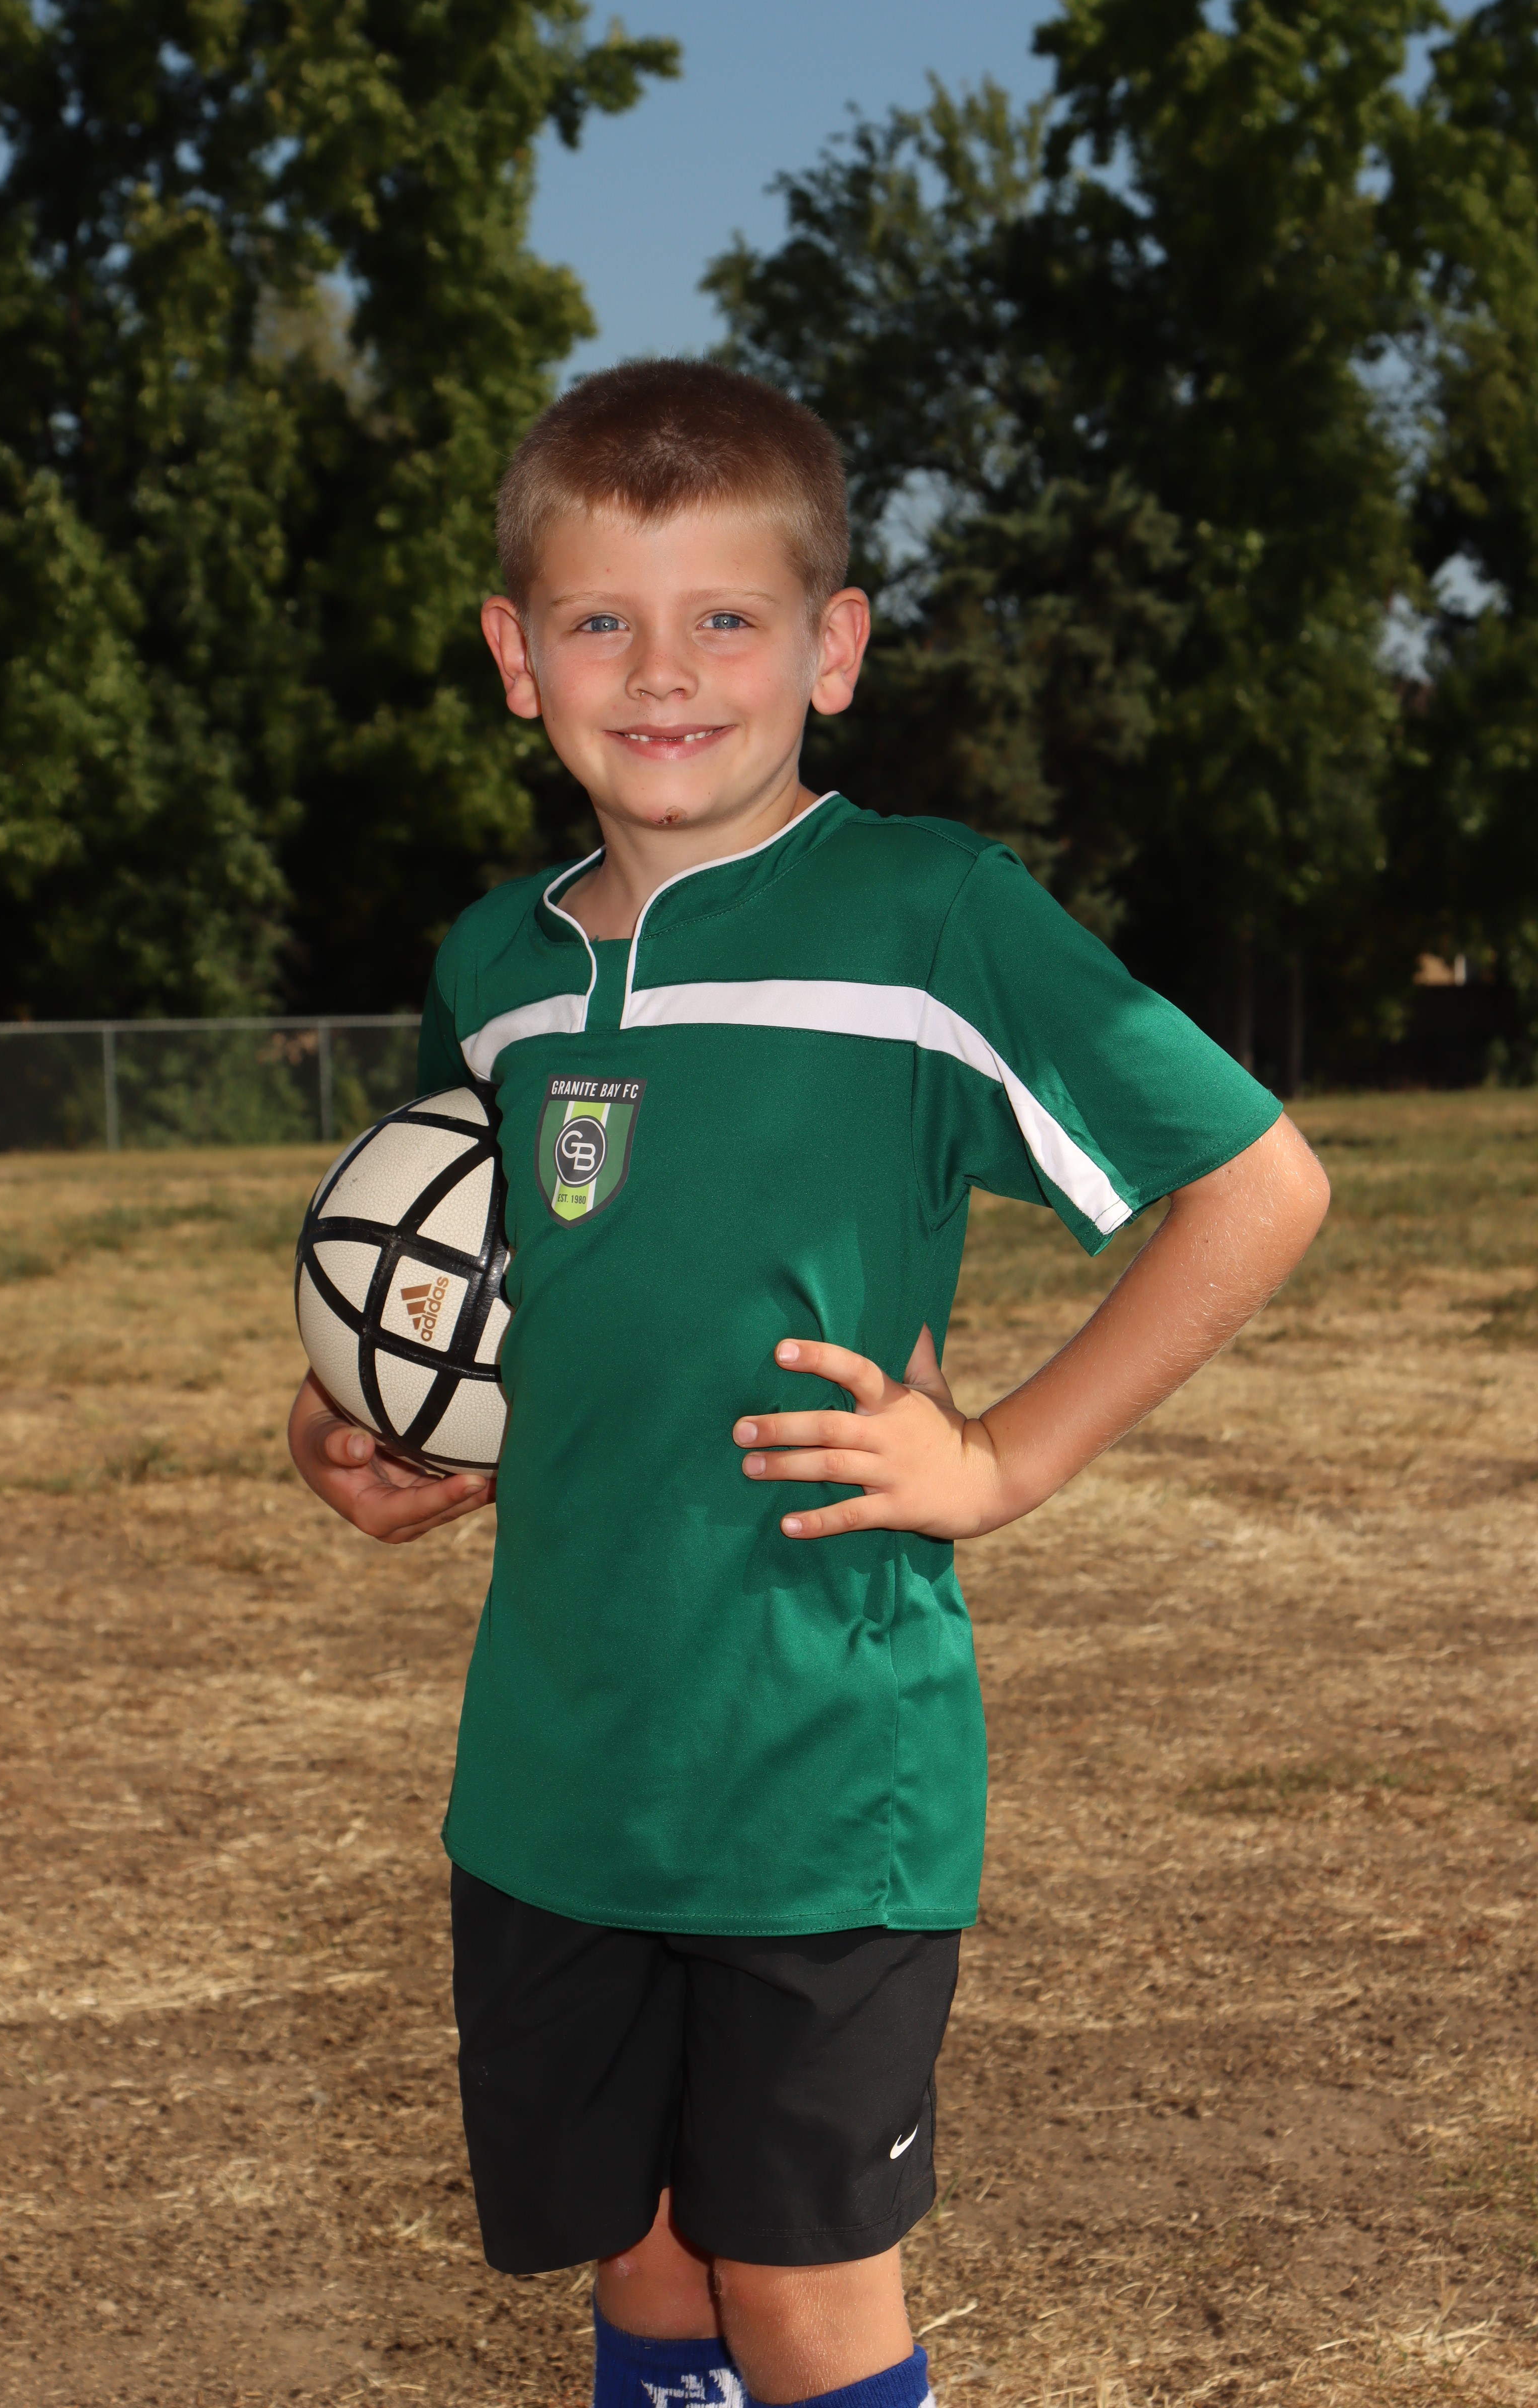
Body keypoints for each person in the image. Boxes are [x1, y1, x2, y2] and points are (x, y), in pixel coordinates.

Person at [287, 359, 1330, 2408]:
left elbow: (1256, 1185)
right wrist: (346, 1418)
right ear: (516, 657)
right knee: (649, 2259)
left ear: (832, 647)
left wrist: (1002, 1458)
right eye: (601, 619)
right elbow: (446, 1274)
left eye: (726, 618)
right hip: (558, 1773)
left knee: (795, 2285)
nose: (662, 673)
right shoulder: (496, 967)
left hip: (816, 1766)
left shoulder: (924, 917)